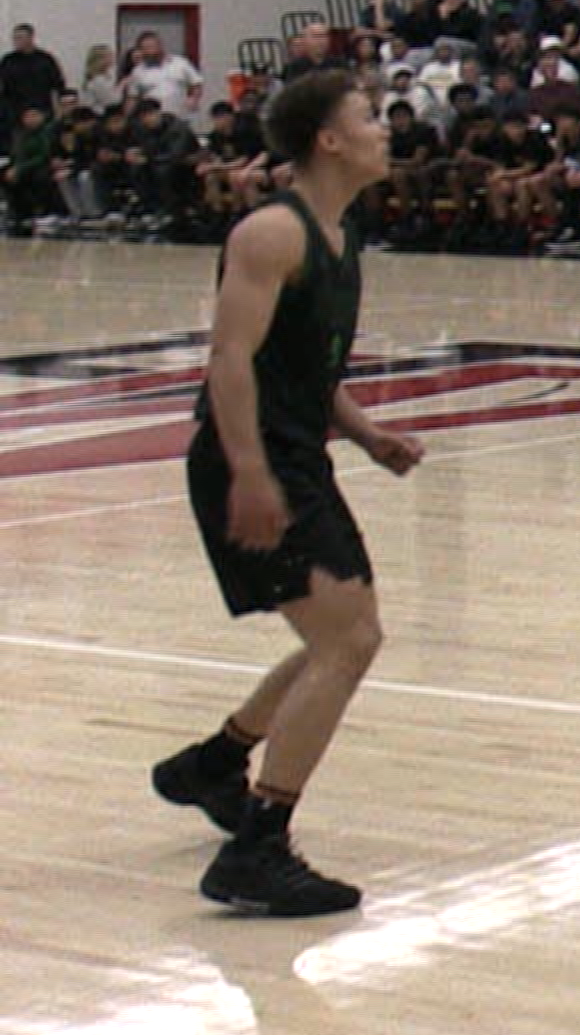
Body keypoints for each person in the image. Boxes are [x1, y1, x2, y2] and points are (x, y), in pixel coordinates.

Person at [152, 71, 428, 916]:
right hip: (253, 460)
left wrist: (364, 430)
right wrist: (251, 472)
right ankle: (257, 848)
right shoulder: (273, 232)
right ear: (329, 142)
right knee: (349, 641)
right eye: (369, 119)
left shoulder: (343, 236)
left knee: (340, 639)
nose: (386, 130)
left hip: (295, 453)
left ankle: (215, 764)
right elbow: (230, 361)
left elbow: (300, 367)